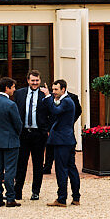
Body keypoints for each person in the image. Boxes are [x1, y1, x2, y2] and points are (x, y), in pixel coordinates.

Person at [0, 77, 23, 207]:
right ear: (7, 88)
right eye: (13, 87)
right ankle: (10, 198)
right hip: (10, 140)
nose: (14, 90)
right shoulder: (11, 104)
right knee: (10, 170)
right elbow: (18, 124)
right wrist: (16, 135)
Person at [44, 79, 80, 207]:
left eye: (56, 89)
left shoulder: (67, 101)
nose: (53, 92)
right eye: (52, 89)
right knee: (71, 168)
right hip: (67, 139)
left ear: (63, 89)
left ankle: (62, 198)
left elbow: (55, 111)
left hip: (62, 141)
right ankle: (76, 197)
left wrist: (47, 96)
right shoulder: (66, 101)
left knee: (62, 169)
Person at [14, 71, 50, 201]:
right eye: (32, 80)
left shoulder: (44, 94)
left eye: (37, 80)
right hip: (23, 134)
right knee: (21, 164)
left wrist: (46, 130)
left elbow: (51, 112)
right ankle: (17, 191)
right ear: (28, 80)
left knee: (38, 164)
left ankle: (36, 192)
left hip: (39, 134)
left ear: (40, 81)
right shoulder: (19, 93)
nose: (35, 83)